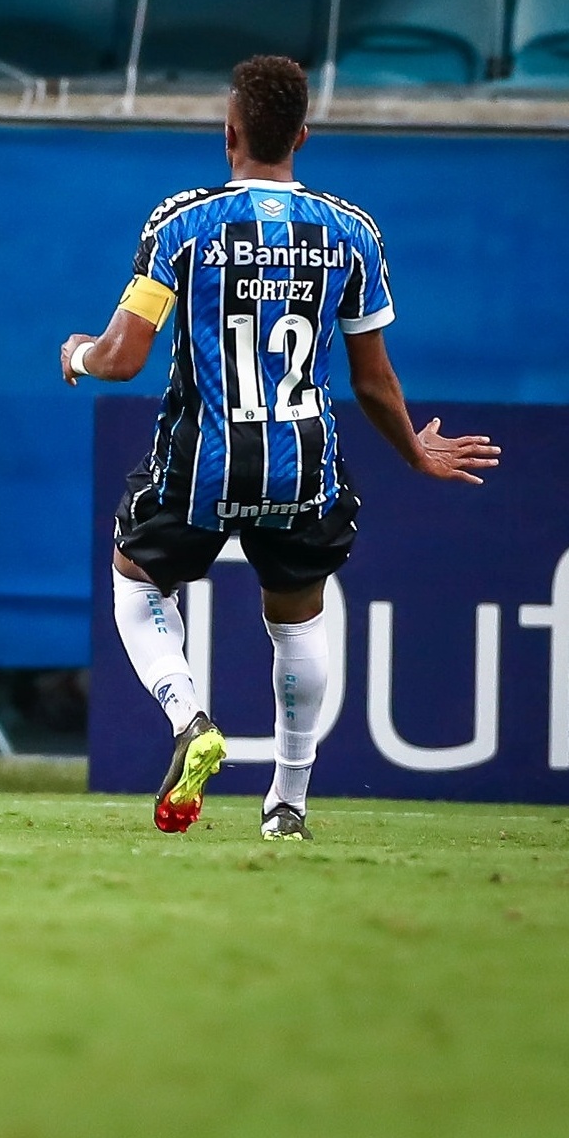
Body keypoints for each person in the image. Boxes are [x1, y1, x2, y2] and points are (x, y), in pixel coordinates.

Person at [59, 55, 498, 841]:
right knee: (295, 622)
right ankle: (287, 801)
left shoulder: (180, 223)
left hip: (200, 460)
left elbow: (122, 357)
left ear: (227, 134)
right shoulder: (350, 233)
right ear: (301, 134)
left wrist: (76, 354)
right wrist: (416, 454)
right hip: (303, 467)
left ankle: (189, 716)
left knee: (135, 582)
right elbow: (372, 381)